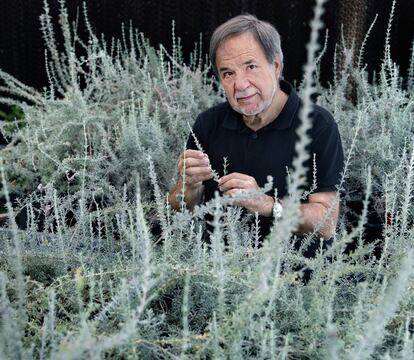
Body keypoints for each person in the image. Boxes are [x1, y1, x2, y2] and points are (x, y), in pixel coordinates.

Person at [168, 14, 343, 242]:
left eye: (250, 66)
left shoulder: (318, 125)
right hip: (217, 270)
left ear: (276, 66)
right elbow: (179, 210)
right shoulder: (208, 123)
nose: (240, 85)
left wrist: (265, 203)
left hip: (291, 272)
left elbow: (326, 223)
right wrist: (188, 188)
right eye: (228, 73)